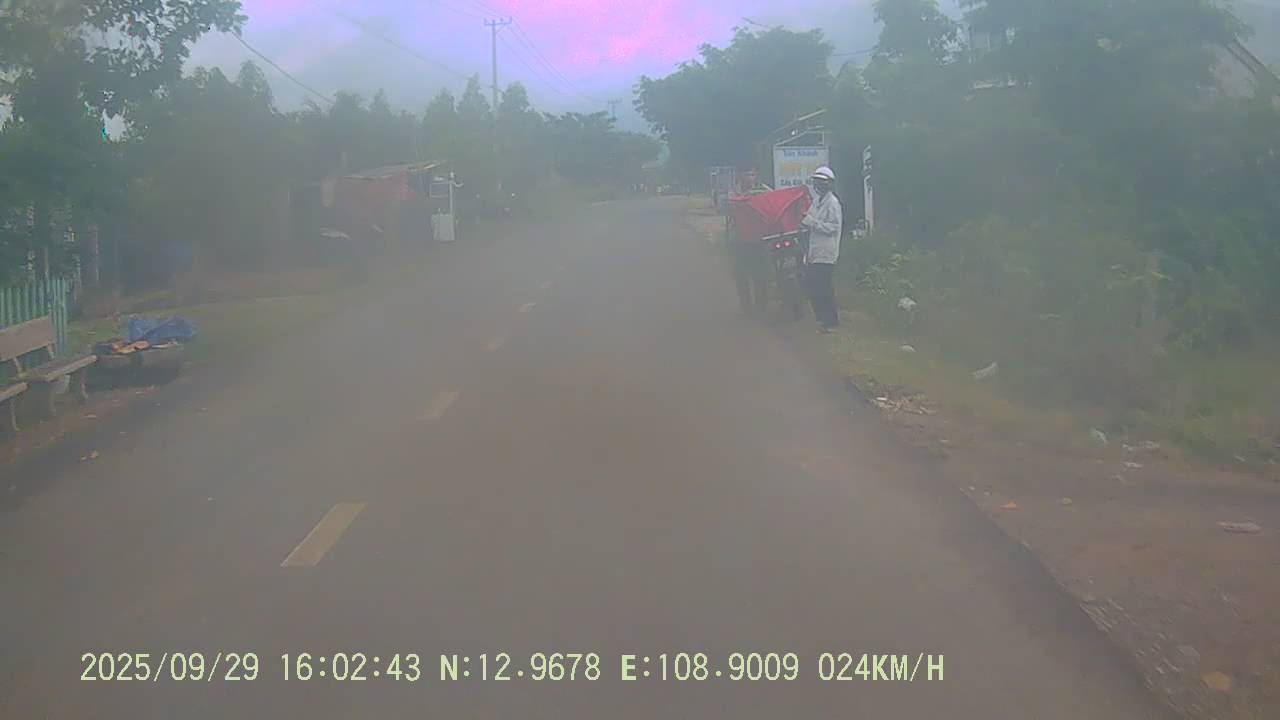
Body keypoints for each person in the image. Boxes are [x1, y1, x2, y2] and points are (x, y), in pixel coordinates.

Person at [801, 166, 843, 333]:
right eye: (817, 182)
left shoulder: (832, 203)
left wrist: (812, 223)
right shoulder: (817, 201)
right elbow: (807, 218)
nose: (819, 185)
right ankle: (822, 318)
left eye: (822, 182)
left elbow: (833, 227)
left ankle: (831, 321)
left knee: (824, 288)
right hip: (815, 251)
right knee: (813, 286)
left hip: (826, 252)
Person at [729, 169, 774, 316]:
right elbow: (731, 208)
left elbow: (773, 199)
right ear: (741, 176)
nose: (750, 177)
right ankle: (746, 306)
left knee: (759, 273)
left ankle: (761, 305)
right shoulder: (734, 192)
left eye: (753, 174)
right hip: (739, 239)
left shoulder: (763, 189)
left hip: (759, 239)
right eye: (747, 174)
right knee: (741, 274)